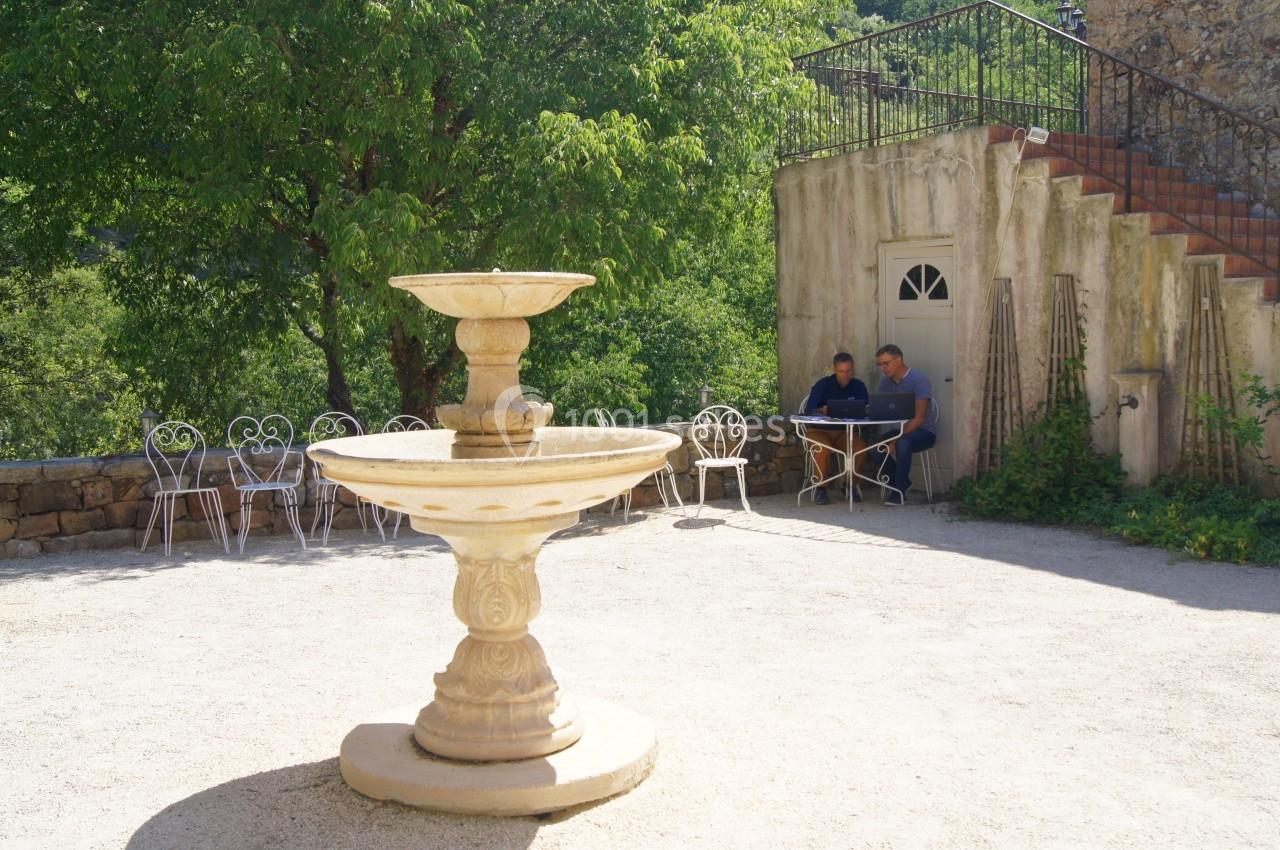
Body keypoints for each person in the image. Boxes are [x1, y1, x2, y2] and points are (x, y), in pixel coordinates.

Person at [873, 344, 937, 506]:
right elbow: (882, 411)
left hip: (923, 432)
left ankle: (898, 491)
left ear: (899, 360)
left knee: (903, 443)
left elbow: (920, 418)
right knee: (874, 447)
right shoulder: (885, 383)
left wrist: (896, 439)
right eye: (880, 364)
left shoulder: (919, 380)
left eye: (886, 363)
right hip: (897, 431)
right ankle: (900, 482)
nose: (883, 368)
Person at [802, 352, 869, 505]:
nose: (846, 375)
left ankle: (849, 485)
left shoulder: (858, 386)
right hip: (818, 430)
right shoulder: (823, 385)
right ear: (834, 369)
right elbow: (808, 410)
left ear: (853, 369)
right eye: (841, 371)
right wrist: (822, 410)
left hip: (844, 432)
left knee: (861, 448)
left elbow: (866, 408)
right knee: (822, 448)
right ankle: (821, 489)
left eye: (849, 371)